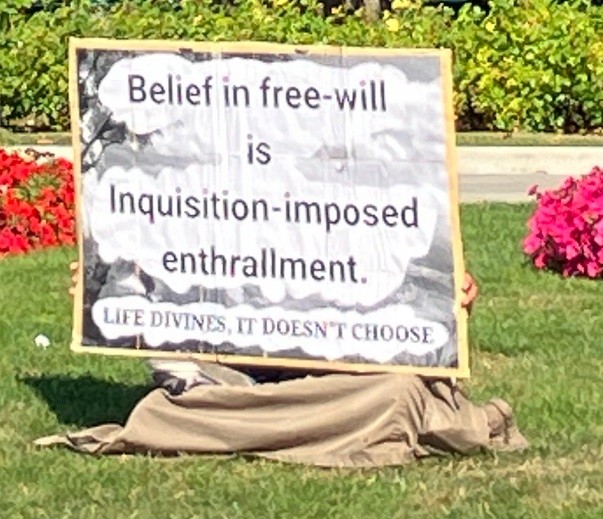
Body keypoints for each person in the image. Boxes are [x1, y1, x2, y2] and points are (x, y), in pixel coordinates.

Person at [37, 263, 528, 467]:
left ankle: (238, 418)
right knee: (398, 401)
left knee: (398, 393)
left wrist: (447, 295)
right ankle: (279, 415)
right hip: (223, 364)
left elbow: (409, 287)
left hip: (344, 368)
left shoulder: (363, 183)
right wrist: (103, 289)